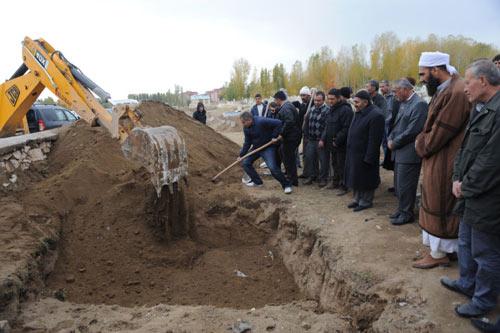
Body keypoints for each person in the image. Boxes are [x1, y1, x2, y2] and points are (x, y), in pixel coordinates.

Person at [440, 59, 500, 319]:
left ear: (483, 81)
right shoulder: (482, 108)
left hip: (487, 196)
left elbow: (491, 160)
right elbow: (466, 149)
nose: (464, 88)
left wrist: (466, 185)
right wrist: (456, 178)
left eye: (468, 82)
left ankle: (483, 302)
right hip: (468, 191)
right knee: (465, 241)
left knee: (486, 252)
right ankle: (467, 282)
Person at [412, 51, 471, 269]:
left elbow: (439, 134)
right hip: (440, 158)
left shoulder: (456, 92)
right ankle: (446, 250)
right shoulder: (447, 88)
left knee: (440, 201)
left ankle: (438, 254)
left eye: (423, 74)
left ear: (436, 70)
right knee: (438, 200)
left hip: (445, 159)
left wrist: (420, 143)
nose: (421, 79)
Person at [387, 79, 428, 225]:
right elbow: (397, 125)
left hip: (409, 153)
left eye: (396, 91)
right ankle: (401, 209)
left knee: (406, 185)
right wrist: (390, 138)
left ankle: (407, 213)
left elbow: (413, 130)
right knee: (399, 185)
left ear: (405, 89)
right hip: (400, 152)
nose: (394, 94)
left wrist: (394, 142)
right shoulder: (404, 103)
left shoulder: (419, 104)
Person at [344, 90, 385, 211]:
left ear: (365, 102)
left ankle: (366, 201)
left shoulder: (376, 115)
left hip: (366, 154)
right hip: (355, 153)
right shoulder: (359, 111)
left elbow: (374, 140)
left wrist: (369, 157)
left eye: (357, 102)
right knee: (356, 177)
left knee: (366, 178)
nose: (354, 104)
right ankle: (357, 199)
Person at [238, 111, 292, 194]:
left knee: (272, 167)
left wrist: (274, 136)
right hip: (256, 148)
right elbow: (247, 143)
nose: (242, 124)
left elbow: (278, 123)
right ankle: (257, 182)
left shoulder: (261, 121)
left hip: (267, 147)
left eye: (243, 122)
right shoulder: (246, 128)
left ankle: (286, 185)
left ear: (249, 120)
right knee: (246, 163)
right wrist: (241, 155)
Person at [321, 88, 353, 195]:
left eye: (332, 99)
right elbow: (328, 125)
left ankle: (344, 186)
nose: (330, 101)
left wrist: (337, 140)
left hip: (341, 144)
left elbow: (346, 128)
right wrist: (325, 139)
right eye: (328, 99)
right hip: (331, 143)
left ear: (339, 98)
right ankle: (335, 182)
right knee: (334, 163)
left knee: (342, 164)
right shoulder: (332, 109)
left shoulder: (346, 110)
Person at [273, 90, 302, 187]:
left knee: (289, 158)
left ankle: (293, 180)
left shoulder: (286, 108)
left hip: (291, 137)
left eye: (275, 100)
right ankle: (289, 175)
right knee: (283, 152)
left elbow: (289, 122)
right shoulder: (287, 106)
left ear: (278, 99)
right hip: (292, 136)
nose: (275, 102)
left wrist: (281, 133)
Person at [302, 91, 329, 187]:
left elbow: (327, 127)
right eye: (315, 100)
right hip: (311, 139)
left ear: (323, 100)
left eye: (319, 100)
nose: (317, 102)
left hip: (321, 140)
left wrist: (322, 139)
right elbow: (307, 123)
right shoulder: (312, 109)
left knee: (323, 160)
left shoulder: (327, 110)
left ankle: (323, 179)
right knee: (310, 158)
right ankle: (312, 176)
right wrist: (306, 136)